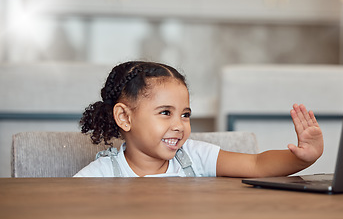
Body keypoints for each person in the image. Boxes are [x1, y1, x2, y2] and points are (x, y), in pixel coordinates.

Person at [74, 61, 323, 177]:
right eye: (165, 112)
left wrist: (301, 158)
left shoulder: (193, 157)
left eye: (185, 114)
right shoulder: (102, 174)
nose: (179, 125)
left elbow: (257, 165)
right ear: (124, 117)